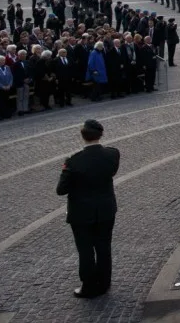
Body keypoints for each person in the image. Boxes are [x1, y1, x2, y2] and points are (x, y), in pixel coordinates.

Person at [56, 119, 120, 299]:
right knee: (104, 247)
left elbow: (61, 190)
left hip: (81, 213)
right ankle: (104, 282)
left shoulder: (74, 161)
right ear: (101, 134)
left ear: (82, 136)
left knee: (85, 250)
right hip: (106, 209)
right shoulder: (113, 154)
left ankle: (89, 286)